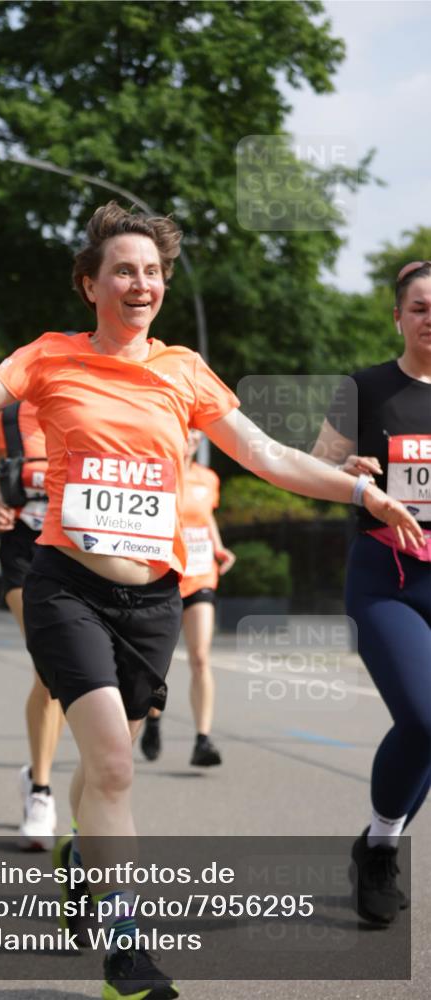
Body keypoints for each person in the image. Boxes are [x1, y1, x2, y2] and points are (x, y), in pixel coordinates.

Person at [0, 204, 423, 1000]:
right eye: (122, 269)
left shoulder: (183, 370)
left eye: (151, 271)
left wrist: (360, 490)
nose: (139, 283)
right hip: (64, 584)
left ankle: (82, 854)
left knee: (112, 758)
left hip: (152, 600)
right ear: (90, 284)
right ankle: (126, 951)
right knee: (113, 762)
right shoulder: (49, 359)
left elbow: (268, 456)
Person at [312, 259, 430, 927]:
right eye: (418, 308)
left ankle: (376, 843)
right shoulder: (366, 388)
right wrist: (347, 470)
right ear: (397, 317)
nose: (429, 319)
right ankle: (383, 846)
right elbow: (313, 464)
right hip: (386, 575)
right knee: (422, 716)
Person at [0, 400, 64, 850]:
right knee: (49, 670)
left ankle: (38, 771)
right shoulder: (11, 418)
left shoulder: (99, 405)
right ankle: (41, 794)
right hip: (23, 551)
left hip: (77, 550)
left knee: (66, 676)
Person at [140, 429, 235, 767]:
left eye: (197, 432)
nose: (192, 437)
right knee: (157, 662)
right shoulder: (155, 472)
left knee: (200, 657)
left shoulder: (208, 478)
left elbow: (205, 515)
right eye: (186, 431)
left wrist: (219, 546)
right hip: (163, 576)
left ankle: (203, 739)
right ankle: (152, 719)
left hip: (201, 574)